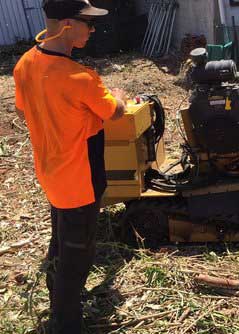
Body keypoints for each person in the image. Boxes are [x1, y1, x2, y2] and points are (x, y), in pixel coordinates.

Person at [13, 0, 127, 332]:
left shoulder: (24, 64)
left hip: (51, 173)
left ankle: (56, 297)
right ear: (66, 24)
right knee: (77, 257)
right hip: (80, 181)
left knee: (60, 242)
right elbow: (114, 112)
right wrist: (117, 94)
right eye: (87, 23)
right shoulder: (80, 78)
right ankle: (65, 323)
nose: (92, 29)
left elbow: (23, 112)